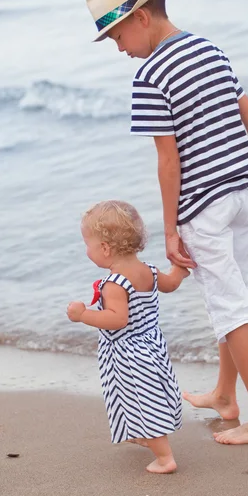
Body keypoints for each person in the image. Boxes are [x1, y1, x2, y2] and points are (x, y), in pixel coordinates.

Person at [85, 0, 248, 445]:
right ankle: (224, 394)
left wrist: (172, 226)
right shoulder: (208, 48)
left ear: (140, 18)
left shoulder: (150, 73)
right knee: (233, 296)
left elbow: (168, 158)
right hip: (243, 193)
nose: (119, 48)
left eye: (116, 35)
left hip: (205, 205)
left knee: (228, 306)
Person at [67, 200, 189, 473]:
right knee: (150, 393)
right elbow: (169, 285)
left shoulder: (114, 283)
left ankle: (164, 458)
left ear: (105, 248)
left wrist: (83, 314)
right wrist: (180, 272)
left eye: (87, 244)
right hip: (151, 345)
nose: (86, 250)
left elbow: (116, 319)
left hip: (128, 354)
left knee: (143, 400)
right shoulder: (149, 270)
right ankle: (142, 434)